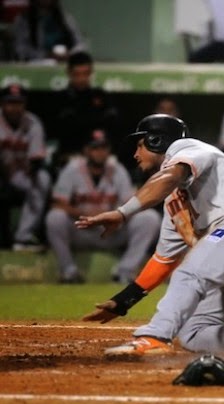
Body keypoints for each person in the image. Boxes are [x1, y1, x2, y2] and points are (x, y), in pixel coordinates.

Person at [78, 114, 224, 359]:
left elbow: (170, 176)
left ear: (157, 141)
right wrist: (124, 301)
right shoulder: (174, 201)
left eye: (140, 144)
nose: (135, 154)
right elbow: (164, 259)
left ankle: (154, 337)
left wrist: (122, 213)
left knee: (190, 271)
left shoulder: (187, 148)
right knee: (192, 332)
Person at [45, 129, 161, 283]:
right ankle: (69, 272)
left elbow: (131, 203)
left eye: (103, 147)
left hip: (112, 231)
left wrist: (111, 214)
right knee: (55, 217)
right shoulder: (72, 169)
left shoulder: (117, 170)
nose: (100, 152)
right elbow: (58, 204)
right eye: (95, 148)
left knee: (149, 218)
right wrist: (86, 215)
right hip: (82, 229)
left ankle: (124, 272)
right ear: (86, 150)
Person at [0, 83, 50, 251]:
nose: (15, 107)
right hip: (2, 174)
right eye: (10, 102)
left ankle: (23, 237)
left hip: (20, 175)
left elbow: (36, 161)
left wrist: (31, 175)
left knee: (42, 179)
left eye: (18, 103)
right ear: (3, 103)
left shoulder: (33, 123)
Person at [53, 51, 120, 173]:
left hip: (100, 154)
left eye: (86, 74)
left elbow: (112, 125)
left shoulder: (101, 96)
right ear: (69, 73)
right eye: (77, 74)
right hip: (71, 155)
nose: (82, 79)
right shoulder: (60, 99)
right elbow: (62, 130)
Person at [12, 0, 85, 62]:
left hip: (65, 63)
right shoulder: (24, 19)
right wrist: (46, 55)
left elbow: (80, 44)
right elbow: (20, 49)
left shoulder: (64, 18)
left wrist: (70, 54)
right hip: (37, 64)